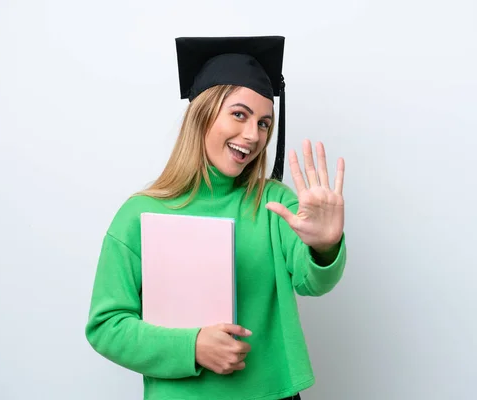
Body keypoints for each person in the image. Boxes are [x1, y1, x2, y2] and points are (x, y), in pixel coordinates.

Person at [85, 36, 347, 400]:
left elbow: (310, 281)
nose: (252, 135)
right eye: (239, 114)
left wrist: (324, 246)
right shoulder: (139, 214)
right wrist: (191, 346)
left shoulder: (273, 203)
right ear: (203, 113)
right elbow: (107, 326)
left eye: (264, 123)